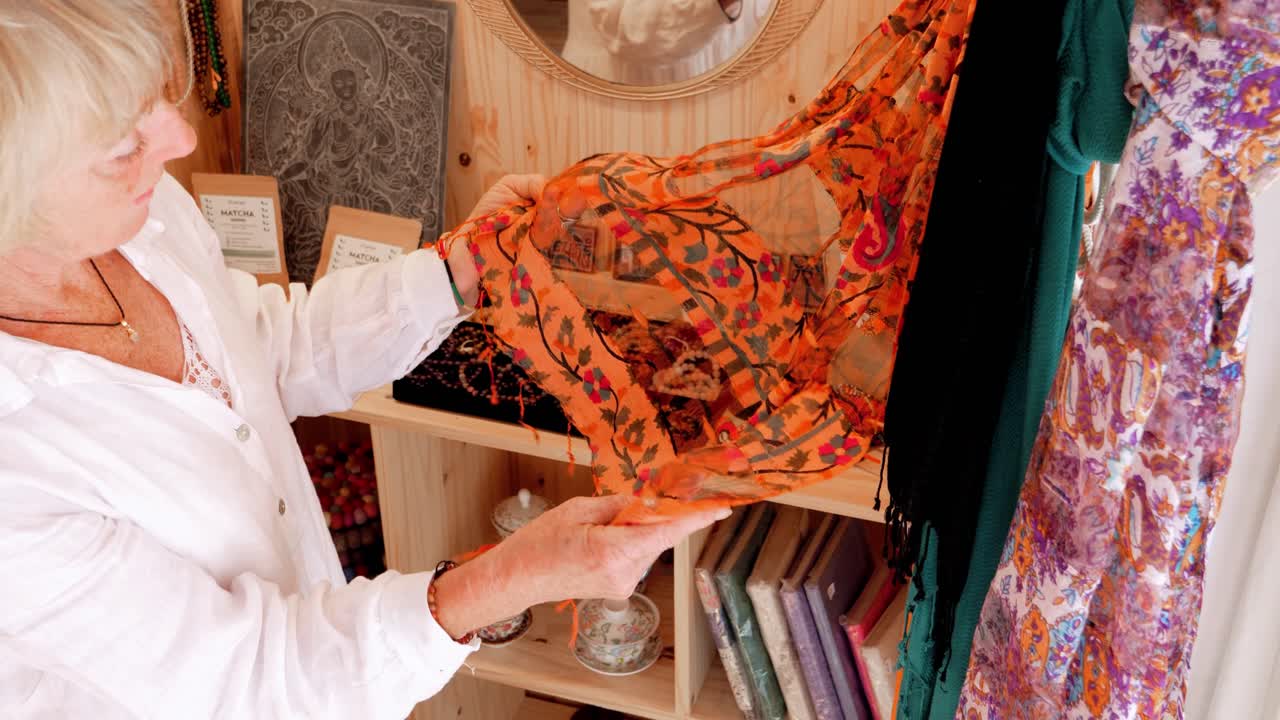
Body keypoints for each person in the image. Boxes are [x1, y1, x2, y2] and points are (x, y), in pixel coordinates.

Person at [0, 3, 727, 718]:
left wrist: (456, 269)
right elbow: (253, 681)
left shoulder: (144, 219)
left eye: (159, 97)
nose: (183, 138)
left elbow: (261, 349)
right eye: (121, 145)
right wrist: (514, 576)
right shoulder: (15, 473)